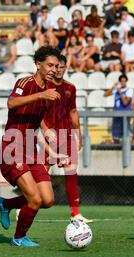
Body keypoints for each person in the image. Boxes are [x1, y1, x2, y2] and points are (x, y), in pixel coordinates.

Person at [0, 46, 62, 247]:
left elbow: (35, 116)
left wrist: (45, 130)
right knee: (34, 199)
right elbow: (12, 103)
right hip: (13, 147)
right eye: (49, 65)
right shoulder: (25, 83)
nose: (53, 69)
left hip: (31, 149)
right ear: (38, 64)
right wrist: (40, 95)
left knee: (47, 200)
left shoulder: (48, 91)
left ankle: (6, 204)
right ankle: (18, 238)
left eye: (56, 66)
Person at [40, 54, 92, 223]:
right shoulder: (44, 86)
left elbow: (73, 113)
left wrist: (79, 135)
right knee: (41, 173)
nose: (59, 70)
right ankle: (24, 205)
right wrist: (46, 130)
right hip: (50, 137)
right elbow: (37, 112)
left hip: (67, 135)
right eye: (57, 67)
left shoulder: (71, 88)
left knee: (71, 172)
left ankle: (75, 213)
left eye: (63, 67)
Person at [104, 74, 134, 144]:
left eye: (124, 81)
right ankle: (117, 144)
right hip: (116, 114)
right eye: (121, 81)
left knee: (125, 130)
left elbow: (125, 102)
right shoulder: (117, 90)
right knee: (116, 132)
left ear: (126, 81)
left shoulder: (129, 90)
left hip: (125, 114)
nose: (123, 82)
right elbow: (105, 95)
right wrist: (113, 87)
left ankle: (126, 145)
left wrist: (120, 93)